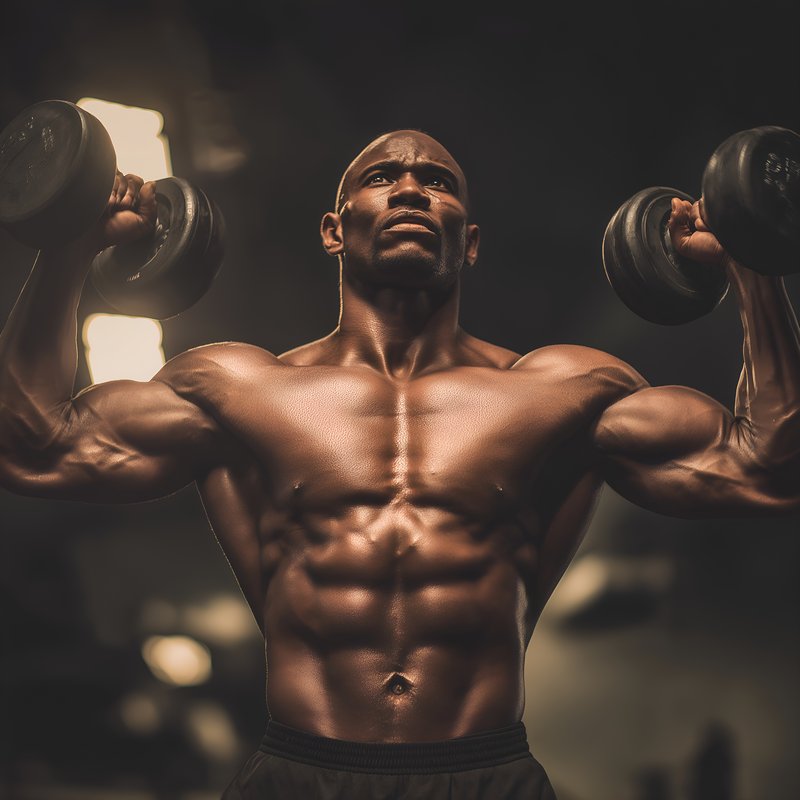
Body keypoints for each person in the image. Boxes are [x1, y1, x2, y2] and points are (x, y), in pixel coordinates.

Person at [0, 129, 797, 800]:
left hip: (483, 772)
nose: (413, 190)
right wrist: (70, 245)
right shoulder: (237, 387)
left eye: (438, 183)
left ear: (471, 241)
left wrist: (751, 262)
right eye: (383, 177)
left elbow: (768, 465)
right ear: (333, 229)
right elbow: (33, 447)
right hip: (300, 772)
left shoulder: (565, 391)